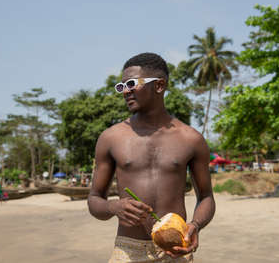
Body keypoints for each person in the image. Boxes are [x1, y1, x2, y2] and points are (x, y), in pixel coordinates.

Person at [88, 53, 215, 262]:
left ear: (159, 86)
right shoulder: (111, 138)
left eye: (131, 84)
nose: (125, 91)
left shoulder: (191, 139)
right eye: (121, 86)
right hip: (127, 250)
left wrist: (195, 226)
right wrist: (114, 207)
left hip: (175, 250)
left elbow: (206, 196)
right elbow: (94, 200)